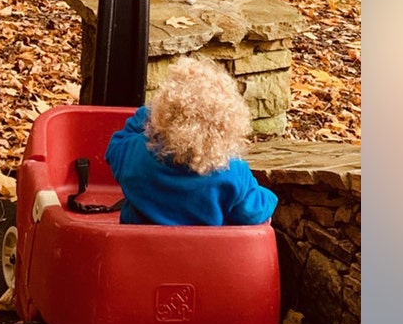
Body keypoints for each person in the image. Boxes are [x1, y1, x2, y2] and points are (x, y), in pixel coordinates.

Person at [105, 55, 278, 226]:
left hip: (136, 250)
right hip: (202, 253)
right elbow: (254, 212)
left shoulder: (135, 156)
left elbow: (115, 147)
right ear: (230, 124)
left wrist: (152, 113)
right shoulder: (233, 174)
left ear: (164, 114)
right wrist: (271, 197)